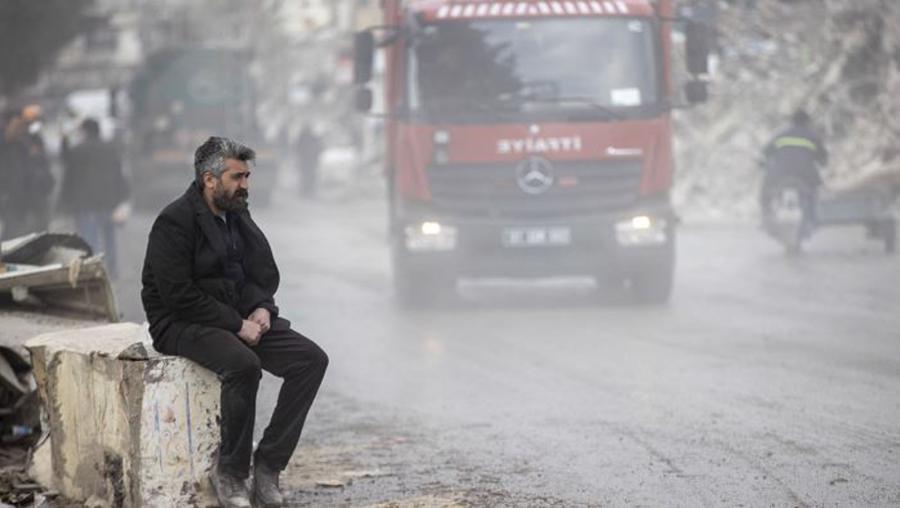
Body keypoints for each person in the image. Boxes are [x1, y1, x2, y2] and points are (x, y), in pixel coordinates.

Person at [141, 136, 328, 508]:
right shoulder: (174, 221)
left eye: (247, 177)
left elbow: (257, 272)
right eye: (237, 177)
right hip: (179, 322)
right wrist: (236, 325)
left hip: (234, 316)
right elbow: (177, 295)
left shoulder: (237, 214)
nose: (245, 185)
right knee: (244, 365)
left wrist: (262, 309)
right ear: (210, 180)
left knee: (311, 360)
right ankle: (231, 472)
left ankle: (269, 465)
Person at [59, 118, 129, 278]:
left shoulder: (78, 150)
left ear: (85, 131)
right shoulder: (110, 149)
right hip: (108, 202)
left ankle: (93, 271)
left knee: (90, 239)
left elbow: (68, 173)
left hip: (86, 203)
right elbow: (119, 174)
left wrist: (65, 201)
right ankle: (113, 270)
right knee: (109, 238)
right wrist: (122, 197)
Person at [761, 109, 828, 229]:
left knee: (766, 191)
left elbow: (766, 152)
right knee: (812, 194)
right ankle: (812, 219)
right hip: (806, 173)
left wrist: (764, 163)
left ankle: (766, 216)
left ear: (791, 121)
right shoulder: (812, 136)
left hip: (780, 172)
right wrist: (822, 162)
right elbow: (823, 157)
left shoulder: (780, 134)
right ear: (807, 122)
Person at [0, 106, 53, 240]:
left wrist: (45, 183)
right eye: (18, 123)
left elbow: (42, 165)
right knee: (12, 237)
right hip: (12, 200)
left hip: (34, 198)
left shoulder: (31, 140)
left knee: (37, 238)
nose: (21, 127)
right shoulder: (6, 143)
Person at [295, 125, 322, 197]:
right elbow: (318, 148)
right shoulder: (310, 138)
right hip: (307, 160)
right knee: (308, 176)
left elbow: (297, 149)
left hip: (308, 160)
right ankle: (306, 191)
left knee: (307, 176)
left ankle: (306, 191)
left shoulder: (306, 138)